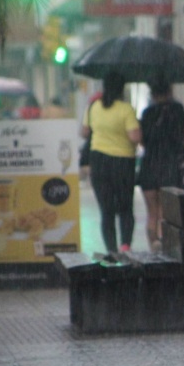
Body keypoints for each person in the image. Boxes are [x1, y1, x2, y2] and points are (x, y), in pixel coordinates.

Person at [81, 73, 140, 253]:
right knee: (125, 208)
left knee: (106, 210)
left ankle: (111, 250)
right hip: (123, 163)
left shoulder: (94, 107)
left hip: (99, 161)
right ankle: (125, 246)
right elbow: (134, 137)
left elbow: (84, 132)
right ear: (121, 89)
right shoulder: (126, 109)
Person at [137, 77, 184, 252]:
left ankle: (154, 249)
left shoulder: (146, 113)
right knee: (167, 214)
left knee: (152, 212)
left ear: (152, 93)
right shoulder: (178, 110)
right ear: (170, 91)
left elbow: (142, 141)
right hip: (170, 165)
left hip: (149, 165)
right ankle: (167, 249)